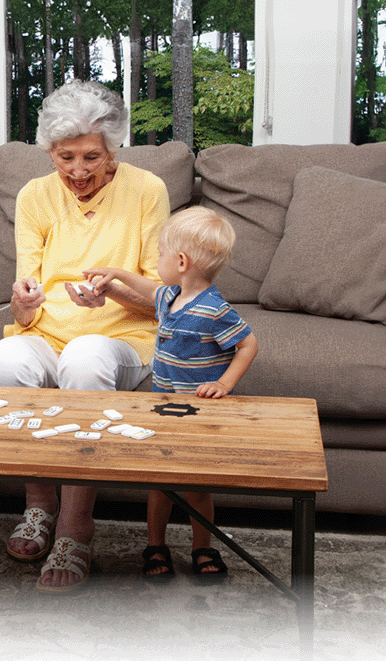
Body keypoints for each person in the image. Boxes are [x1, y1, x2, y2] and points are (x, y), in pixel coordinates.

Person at [0, 79, 170, 593]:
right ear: (50, 152)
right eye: (66, 157)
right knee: (4, 360)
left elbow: (161, 298)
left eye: (92, 157)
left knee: (85, 360)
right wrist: (23, 306)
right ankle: (39, 505)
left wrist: (114, 293)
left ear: (114, 150)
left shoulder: (147, 191)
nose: (79, 171)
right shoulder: (34, 196)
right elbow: (27, 301)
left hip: (125, 336)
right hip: (50, 330)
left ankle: (75, 525)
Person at [85, 206, 258, 582]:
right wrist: (115, 274)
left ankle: (202, 547)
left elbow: (248, 345)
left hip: (199, 414)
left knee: (196, 488)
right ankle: (155, 544)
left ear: (180, 261)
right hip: (163, 409)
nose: (157, 262)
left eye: (161, 255)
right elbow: (149, 288)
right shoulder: (171, 296)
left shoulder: (215, 310)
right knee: (159, 483)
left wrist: (225, 384)